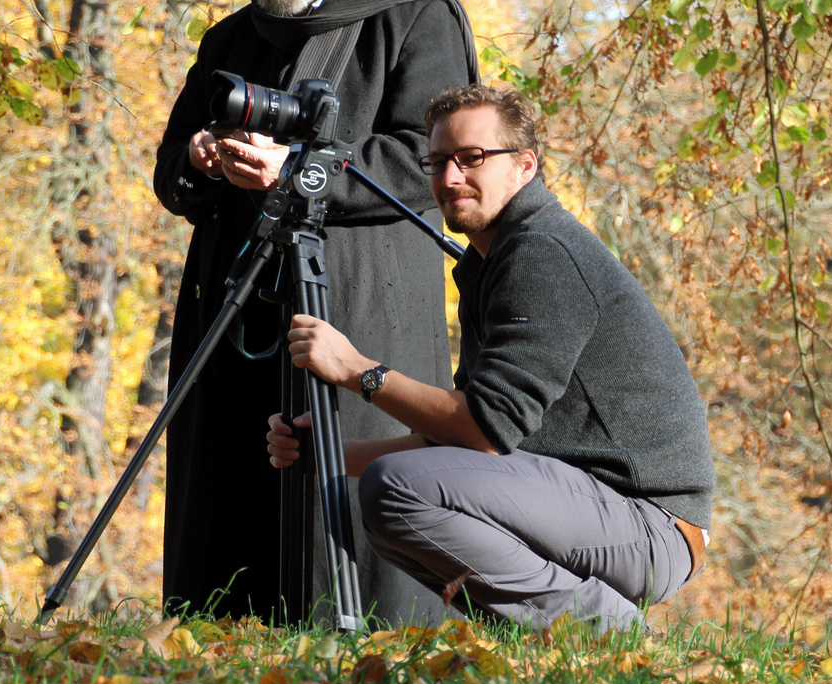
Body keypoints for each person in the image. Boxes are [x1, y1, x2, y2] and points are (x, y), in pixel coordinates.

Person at [153, 0, 477, 625]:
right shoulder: (228, 43)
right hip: (237, 315)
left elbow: (430, 163)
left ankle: (379, 648)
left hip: (363, 305)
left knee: (356, 506)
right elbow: (170, 176)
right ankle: (225, 637)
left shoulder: (414, 18)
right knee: (233, 507)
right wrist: (203, 157)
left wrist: (296, 169)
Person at [265, 85, 716, 630]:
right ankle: (557, 638)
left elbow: (482, 431)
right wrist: (332, 454)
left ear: (525, 165)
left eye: (472, 158)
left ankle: (605, 631)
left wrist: (358, 371)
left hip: (649, 525)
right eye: (437, 163)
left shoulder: (543, 252)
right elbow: (461, 443)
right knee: (391, 497)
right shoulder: (497, 260)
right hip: (593, 510)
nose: (450, 178)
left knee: (396, 487)